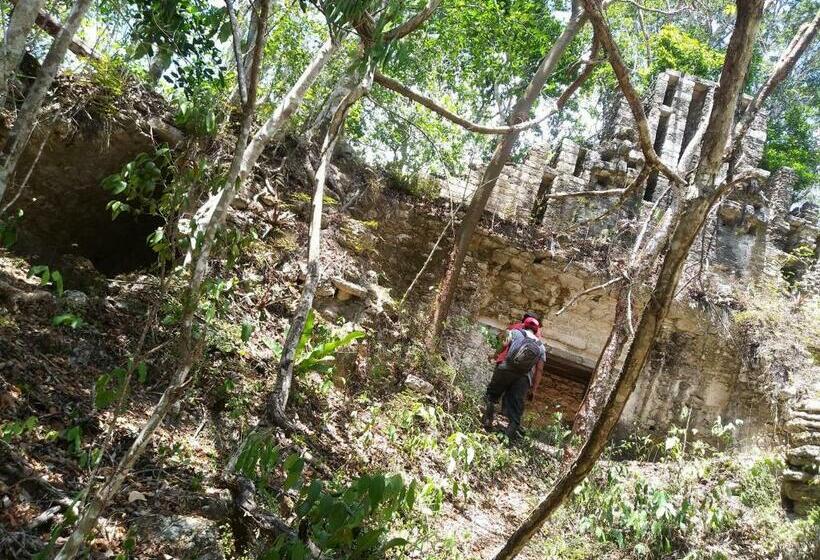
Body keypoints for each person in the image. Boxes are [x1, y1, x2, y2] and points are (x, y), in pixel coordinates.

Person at [482, 316, 546, 440]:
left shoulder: (515, 332)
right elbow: (539, 370)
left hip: (505, 369)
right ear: (536, 330)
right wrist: (534, 389)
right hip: (523, 378)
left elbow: (504, 345)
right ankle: (507, 439)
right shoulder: (541, 347)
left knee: (492, 396)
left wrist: (495, 355)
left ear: (524, 325)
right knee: (515, 409)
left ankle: (487, 423)